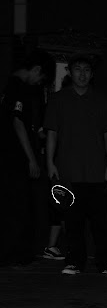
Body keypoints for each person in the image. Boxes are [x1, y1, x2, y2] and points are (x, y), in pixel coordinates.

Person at [44, 54, 107, 276]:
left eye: (86, 70)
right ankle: (75, 262)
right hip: (68, 170)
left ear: (92, 74)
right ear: (70, 72)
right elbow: (51, 133)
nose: (82, 74)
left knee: (102, 222)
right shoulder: (58, 99)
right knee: (72, 221)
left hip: (97, 171)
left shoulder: (101, 100)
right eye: (78, 69)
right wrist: (49, 162)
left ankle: (106, 263)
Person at [0, 49, 56, 268]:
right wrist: (32, 159)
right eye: (41, 79)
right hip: (14, 158)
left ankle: (19, 254)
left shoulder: (13, 85)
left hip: (12, 157)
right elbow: (17, 122)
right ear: (36, 69)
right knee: (16, 207)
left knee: (20, 206)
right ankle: (12, 255)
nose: (39, 83)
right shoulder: (17, 86)